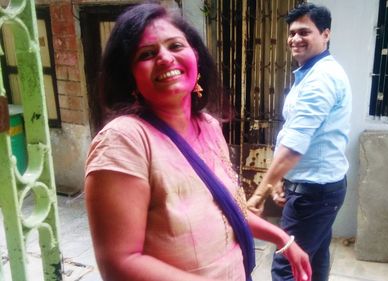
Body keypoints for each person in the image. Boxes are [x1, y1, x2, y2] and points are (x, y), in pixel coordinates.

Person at [84, 3, 312, 281]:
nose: (165, 58)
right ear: (130, 76)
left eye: (175, 46)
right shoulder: (124, 141)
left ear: (195, 57)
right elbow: (120, 263)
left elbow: (230, 210)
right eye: (147, 53)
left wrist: (282, 239)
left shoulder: (209, 126)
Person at [246, 3, 352, 281]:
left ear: (325, 34)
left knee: (286, 265)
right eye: (292, 33)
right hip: (319, 188)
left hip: (314, 193)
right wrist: (282, 179)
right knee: (312, 261)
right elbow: (295, 131)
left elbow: (294, 145)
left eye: (305, 32)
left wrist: (259, 194)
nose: (295, 39)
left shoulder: (321, 79)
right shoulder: (310, 73)